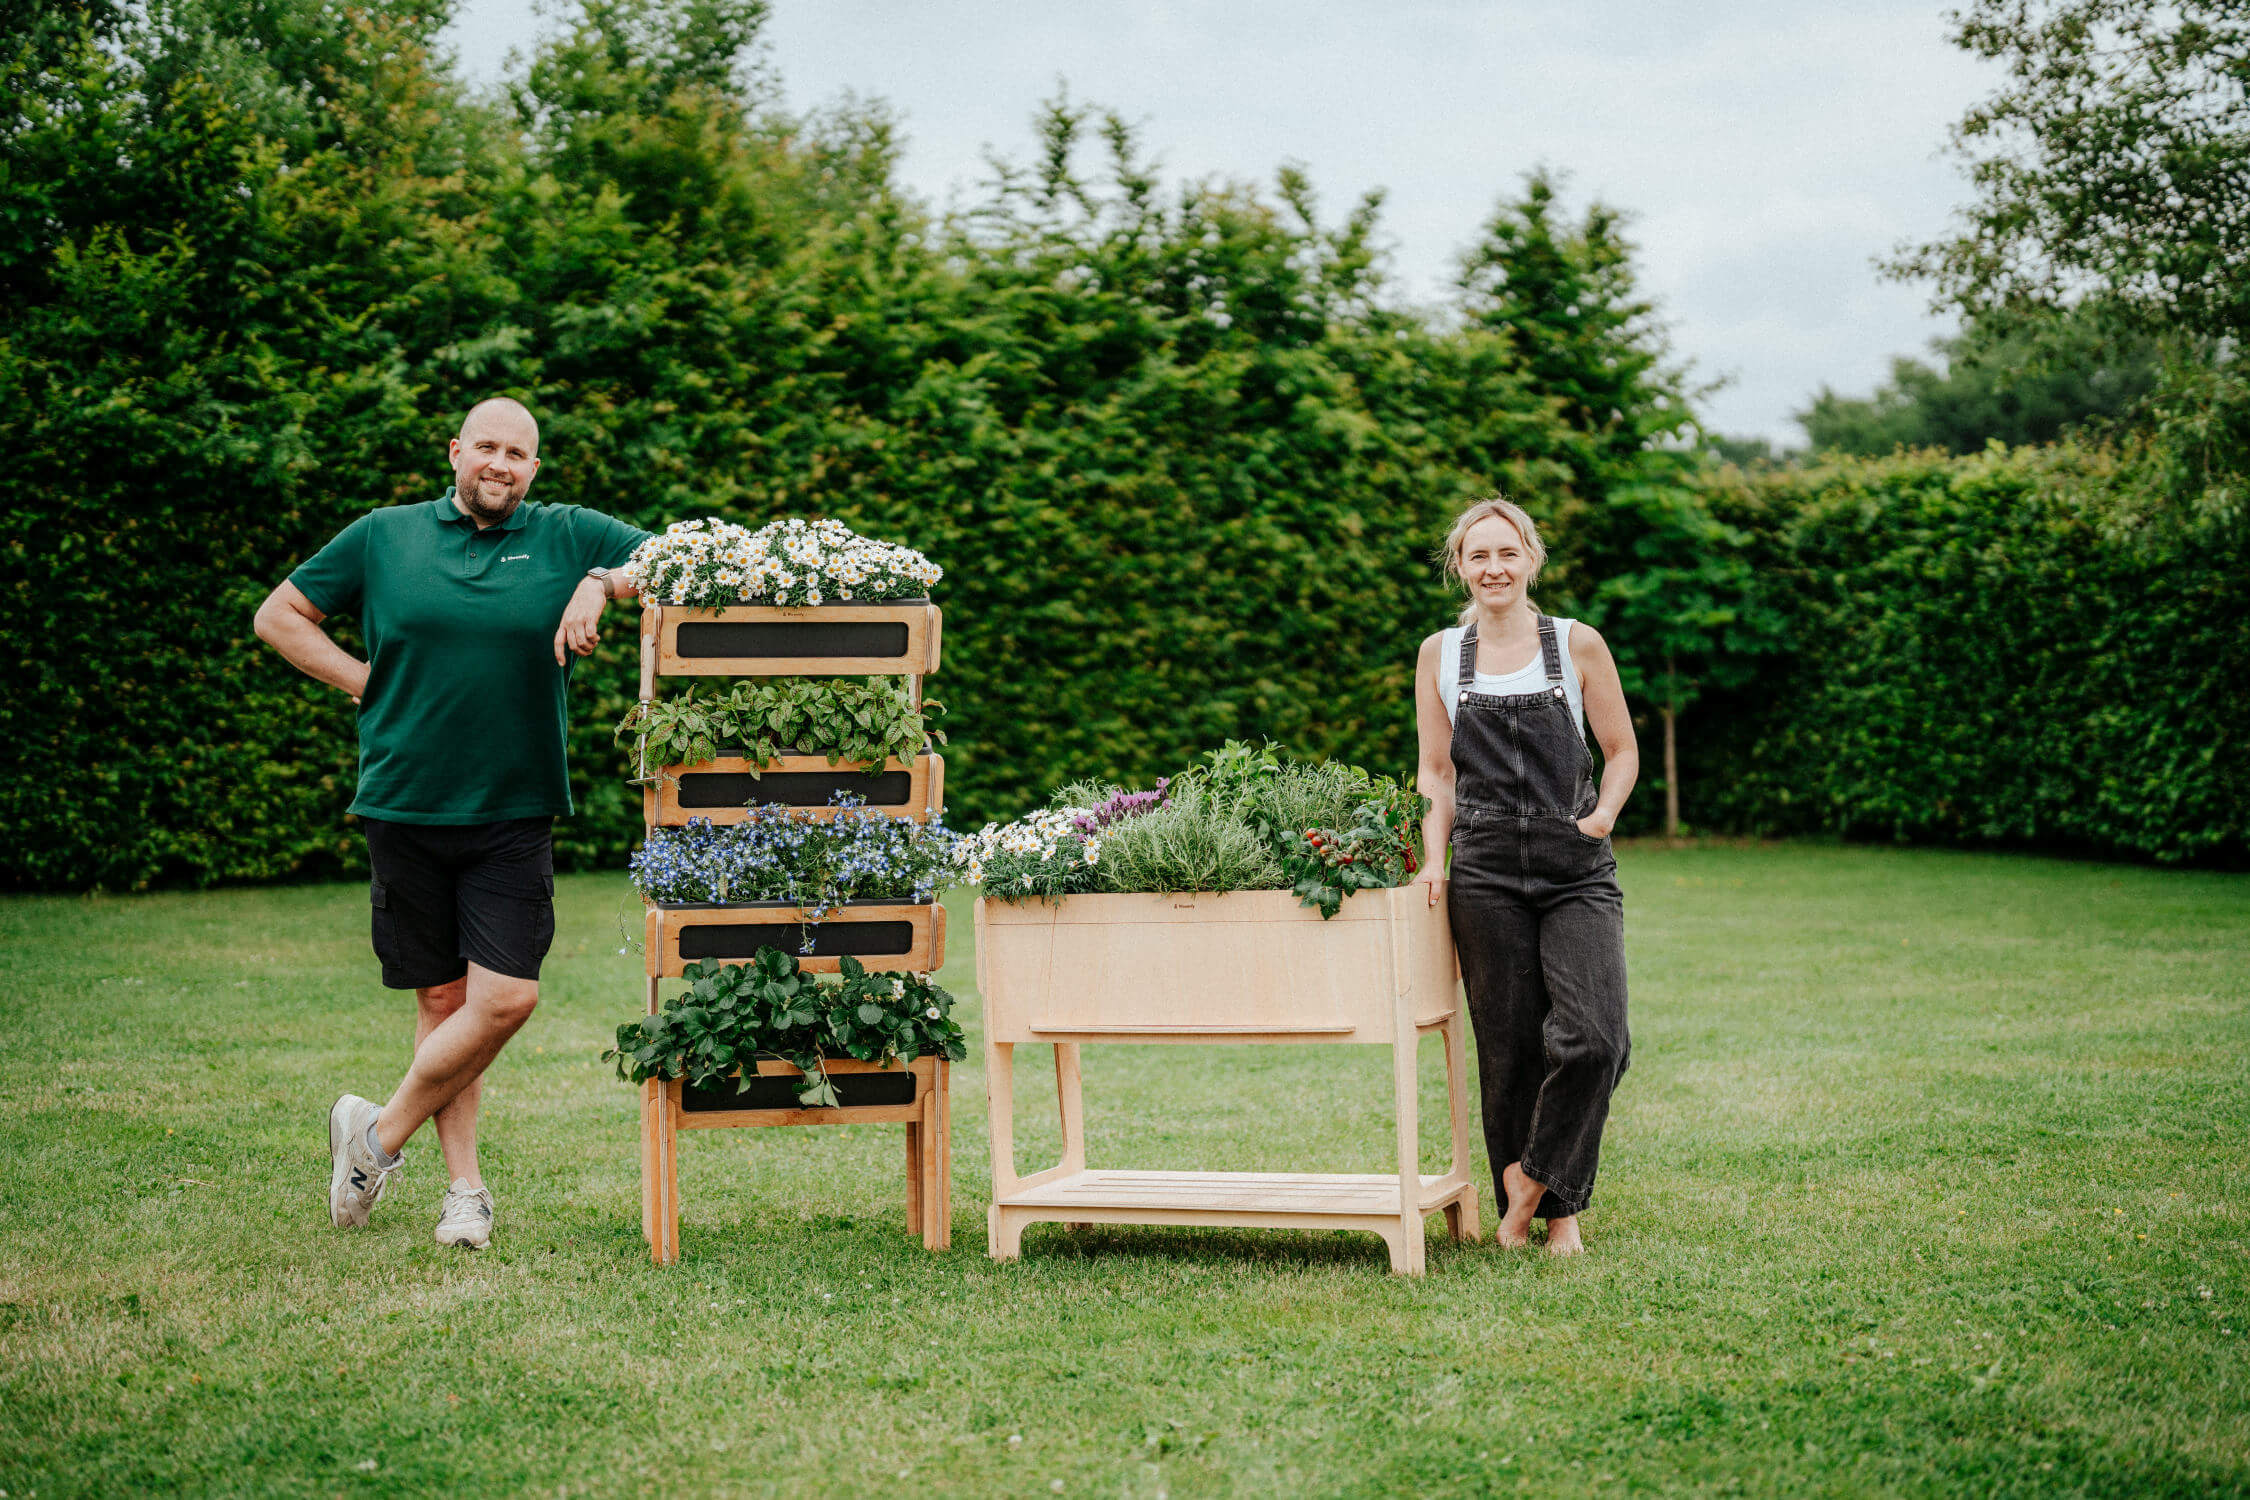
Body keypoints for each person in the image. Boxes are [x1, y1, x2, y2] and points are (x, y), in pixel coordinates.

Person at [253, 396, 651, 1249]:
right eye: (487, 448)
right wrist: (370, 683)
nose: (500, 464)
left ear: (533, 469)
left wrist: (601, 580)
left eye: (518, 453)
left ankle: (375, 1137)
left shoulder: (568, 532)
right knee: (441, 998)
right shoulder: (383, 535)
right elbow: (279, 616)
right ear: (456, 453)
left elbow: (687, 561)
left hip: (514, 805)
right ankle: (464, 1192)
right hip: (403, 802)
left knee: (504, 998)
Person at [1412, 496, 1638, 1256]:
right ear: (1460, 568)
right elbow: (1436, 773)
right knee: (1507, 1049)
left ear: (1530, 558)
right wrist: (1431, 860)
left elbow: (1622, 749)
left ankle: (1529, 1193)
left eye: (1507, 552)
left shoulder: (1576, 644)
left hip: (1575, 865)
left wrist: (1602, 815)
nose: (1494, 567)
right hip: (1484, 871)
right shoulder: (1439, 654)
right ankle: (1559, 1220)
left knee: (1594, 1037)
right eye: (1478, 555)